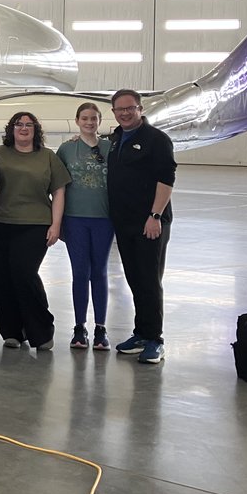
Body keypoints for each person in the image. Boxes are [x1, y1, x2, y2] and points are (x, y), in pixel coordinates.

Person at [0, 112, 69, 352]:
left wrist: (56, 224)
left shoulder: (47, 157)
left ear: (36, 130)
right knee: (2, 278)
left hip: (34, 224)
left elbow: (59, 191)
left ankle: (41, 331)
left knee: (24, 274)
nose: (23, 128)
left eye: (28, 125)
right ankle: (11, 332)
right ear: (11, 129)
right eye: (19, 124)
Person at [106, 90, 176, 366]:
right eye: (119, 110)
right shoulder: (114, 139)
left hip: (150, 222)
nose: (124, 113)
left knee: (149, 280)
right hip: (124, 223)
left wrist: (155, 215)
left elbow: (166, 179)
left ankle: (155, 339)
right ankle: (141, 333)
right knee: (135, 278)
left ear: (140, 108)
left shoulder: (156, 140)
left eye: (129, 108)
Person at [55, 103, 114, 351]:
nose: (89, 122)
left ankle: (100, 327)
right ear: (77, 120)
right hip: (75, 219)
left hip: (104, 219)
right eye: (85, 118)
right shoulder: (67, 149)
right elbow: (56, 186)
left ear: (99, 121)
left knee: (99, 271)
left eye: (94, 119)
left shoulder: (111, 148)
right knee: (80, 271)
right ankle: (80, 327)